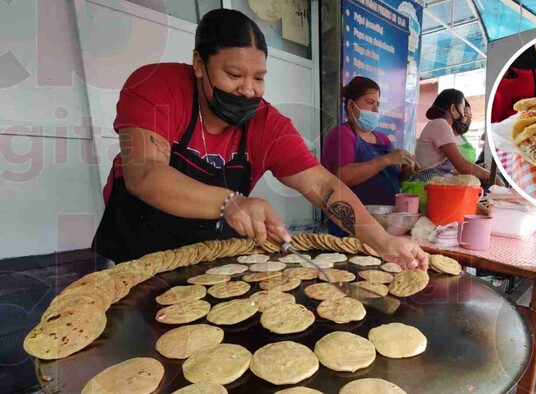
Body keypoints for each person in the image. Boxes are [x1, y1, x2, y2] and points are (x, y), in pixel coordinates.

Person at [91, 9, 427, 270]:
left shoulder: (267, 124)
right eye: (234, 75)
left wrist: (382, 240)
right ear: (198, 63)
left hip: (210, 251)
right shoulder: (157, 88)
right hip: (135, 252)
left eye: (259, 78)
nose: (248, 90)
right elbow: (145, 173)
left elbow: (324, 185)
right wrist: (231, 202)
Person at [321, 76, 418, 236]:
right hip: (351, 226)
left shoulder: (383, 139)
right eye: (370, 103)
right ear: (352, 106)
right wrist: (386, 160)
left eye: (377, 104)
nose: (375, 110)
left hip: (384, 224)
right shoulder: (342, 135)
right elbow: (342, 176)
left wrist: (408, 170)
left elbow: (392, 179)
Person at [409, 89, 494, 183]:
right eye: (462, 109)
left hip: (434, 184)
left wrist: (481, 172)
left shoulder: (439, 124)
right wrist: (492, 176)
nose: (463, 117)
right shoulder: (441, 124)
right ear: (453, 108)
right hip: (426, 185)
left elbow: (455, 168)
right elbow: (462, 165)